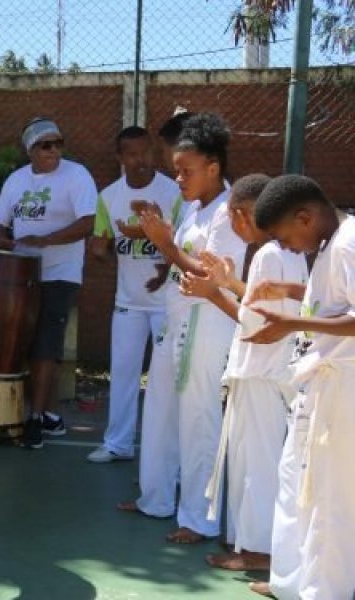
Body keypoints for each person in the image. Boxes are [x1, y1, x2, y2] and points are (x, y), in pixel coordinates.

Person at [125, 113, 247, 545]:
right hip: (174, 318)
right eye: (176, 170)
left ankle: (199, 517)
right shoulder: (196, 208)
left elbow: (207, 275)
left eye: (186, 170)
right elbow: (182, 265)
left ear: (214, 167)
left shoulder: (228, 214)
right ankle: (155, 498)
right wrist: (167, 245)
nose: (178, 178)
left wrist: (165, 243)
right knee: (159, 410)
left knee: (198, 418)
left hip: (206, 323)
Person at [177, 174, 306, 572]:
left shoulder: (269, 253)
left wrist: (213, 293)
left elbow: (251, 322)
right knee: (260, 463)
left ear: (243, 214)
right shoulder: (291, 252)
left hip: (260, 375)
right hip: (273, 374)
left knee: (256, 466)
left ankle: (257, 552)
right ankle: (250, 544)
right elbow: (261, 302)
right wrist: (230, 281)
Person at [242, 174, 355, 599]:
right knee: (300, 487)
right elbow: (331, 301)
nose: (286, 247)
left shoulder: (348, 243)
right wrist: (293, 297)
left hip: (344, 388)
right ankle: (298, 583)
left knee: (330, 499)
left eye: (285, 236)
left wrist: (294, 323)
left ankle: (327, 592)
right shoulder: (331, 244)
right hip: (322, 385)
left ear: (305, 217)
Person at [0, 117, 97, 449]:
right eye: (45, 145)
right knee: (20, 343)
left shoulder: (76, 175)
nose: (54, 151)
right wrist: (3, 241)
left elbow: (88, 222)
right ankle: (35, 415)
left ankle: (35, 419)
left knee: (45, 345)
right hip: (20, 276)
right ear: (30, 150)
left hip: (59, 273)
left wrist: (47, 240)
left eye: (58, 144)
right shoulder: (16, 180)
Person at [85, 126, 181, 463]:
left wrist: (164, 270)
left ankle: (167, 449)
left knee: (165, 379)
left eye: (146, 152)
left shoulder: (172, 192)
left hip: (167, 303)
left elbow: (184, 246)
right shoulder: (108, 197)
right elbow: (101, 242)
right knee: (123, 373)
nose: (140, 160)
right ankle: (118, 443)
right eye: (132, 154)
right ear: (120, 158)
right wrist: (100, 249)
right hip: (128, 303)